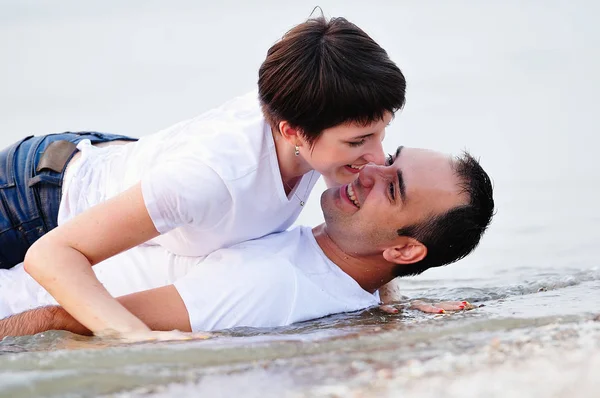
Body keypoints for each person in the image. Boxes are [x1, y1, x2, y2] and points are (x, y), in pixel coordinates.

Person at [0, 16, 407, 337]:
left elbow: (367, 228)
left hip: (123, 168)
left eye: (382, 132)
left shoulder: (314, 113)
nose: (376, 158)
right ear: (292, 132)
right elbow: (51, 255)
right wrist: (133, 338)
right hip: (34, 199)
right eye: (359, 141)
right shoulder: (213, 178)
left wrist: (389, 297)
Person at [0, 146, 494, 339]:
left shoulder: (271, 282)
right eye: (394, 158)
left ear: (405, 251)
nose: (370, 170)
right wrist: (390, 302)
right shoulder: (343, 267)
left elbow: (58, 320)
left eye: (392, 187)